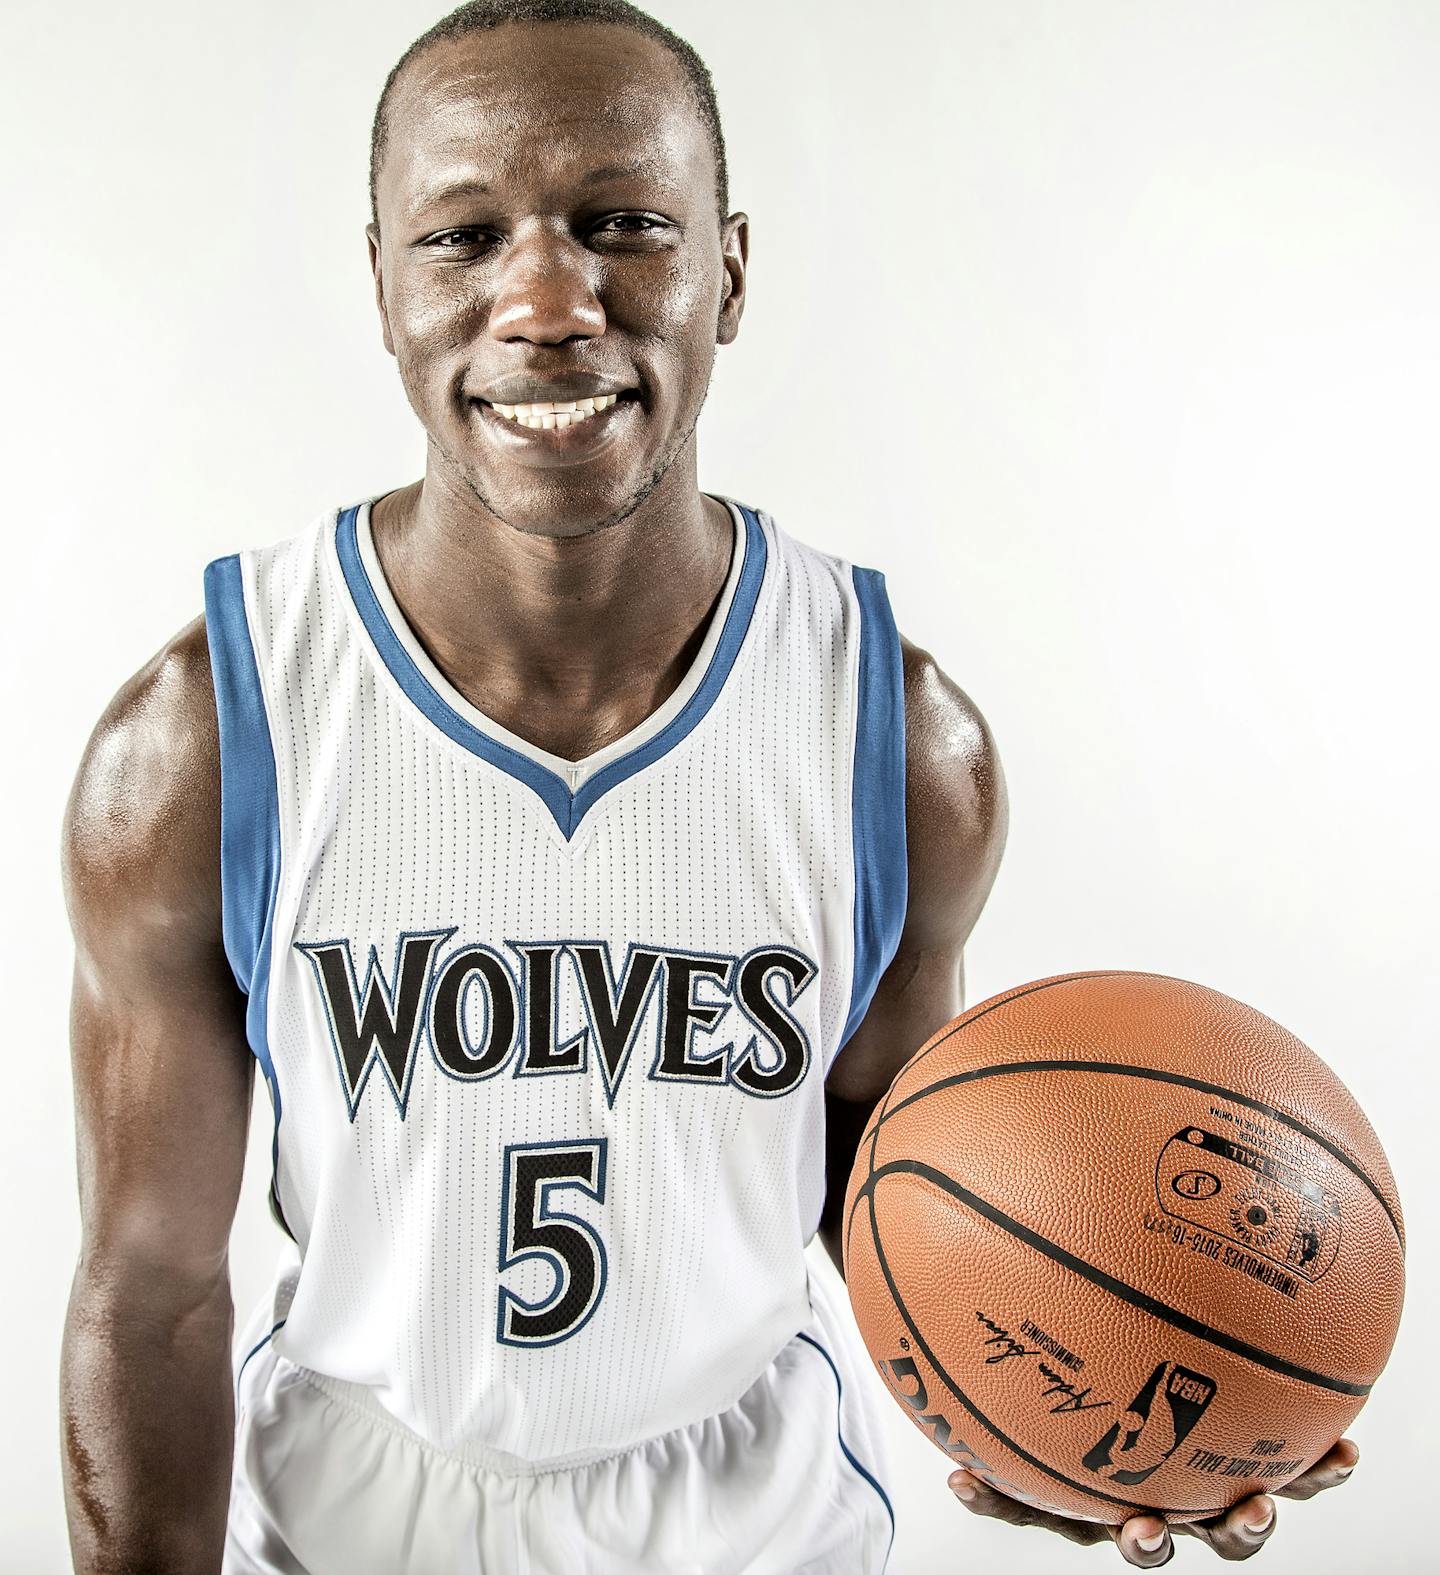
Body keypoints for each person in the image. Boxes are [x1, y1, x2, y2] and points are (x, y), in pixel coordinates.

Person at [58, 2, 1358, 1570]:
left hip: (760, 1515)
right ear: (387, 287)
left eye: (625, 225)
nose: (546, 300)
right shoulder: (205, 738)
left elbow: (900, 1189)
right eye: (464, 238)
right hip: (349, 1506)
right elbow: (151, 1290)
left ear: (727, 271)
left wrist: (1059, 1410)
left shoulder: (900, 742)